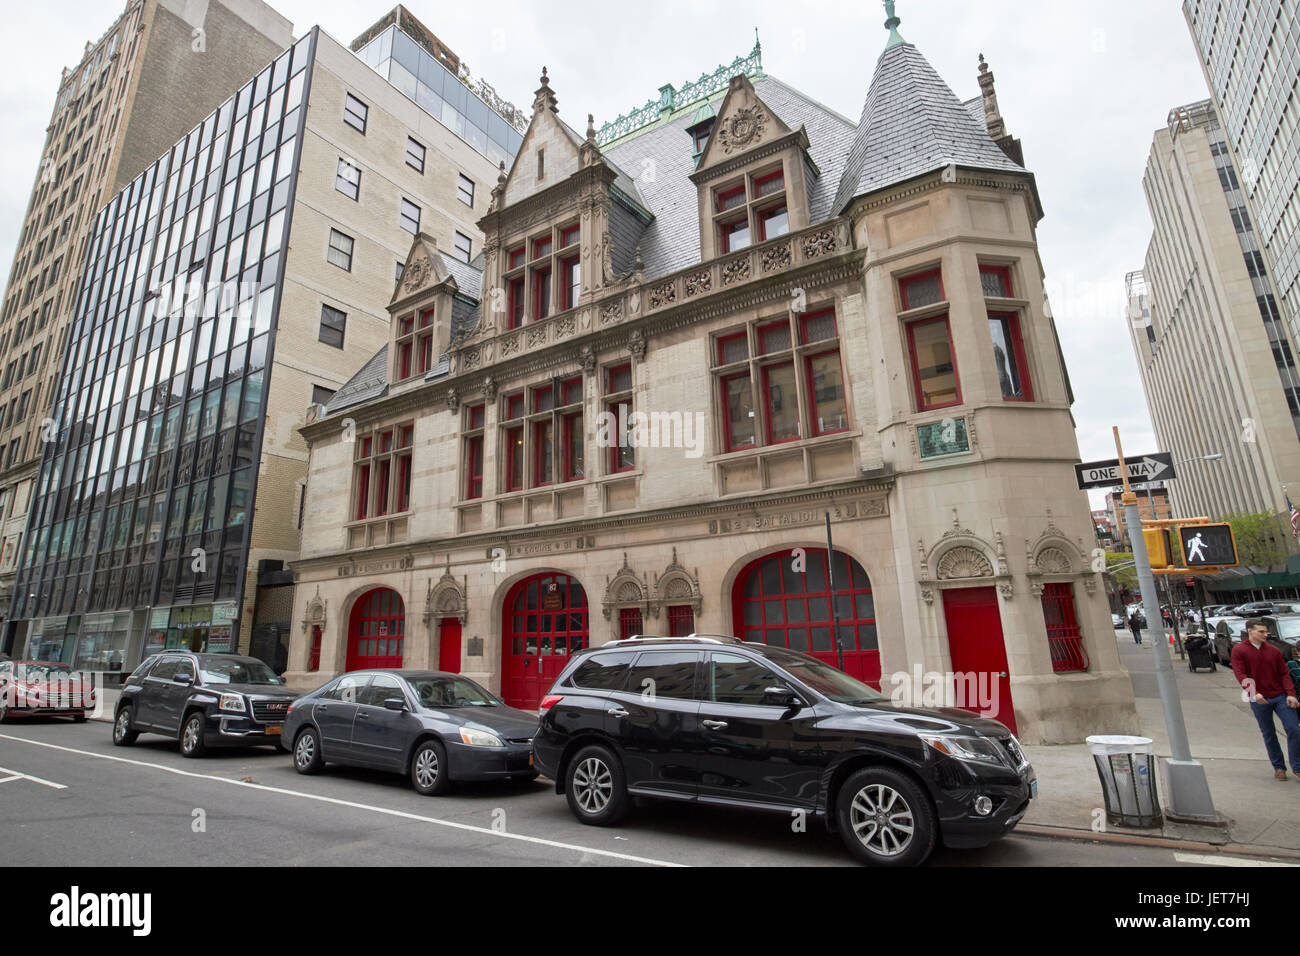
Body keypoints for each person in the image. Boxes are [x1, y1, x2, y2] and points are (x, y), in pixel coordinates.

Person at [1230, 618, 1300, 781]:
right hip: (1258, 698)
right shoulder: (1239, 651)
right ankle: (1279, 767)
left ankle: (1297, 767)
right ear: (1250, 631)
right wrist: (1253, 692)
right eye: (1261, 631)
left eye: (1266, 631)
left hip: (1280, 695)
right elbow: (1241, 674)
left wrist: (1290, 694)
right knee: (1269, 733)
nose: (1265, 634)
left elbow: (1284, 673)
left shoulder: (1273, 651)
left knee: (1294, 729)